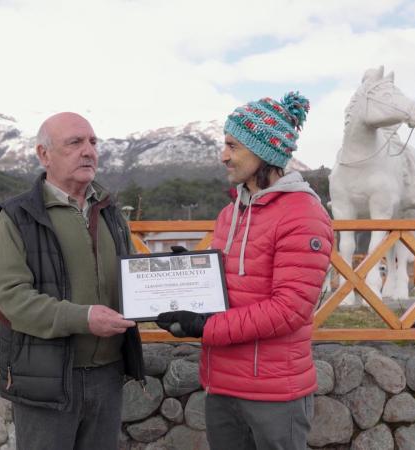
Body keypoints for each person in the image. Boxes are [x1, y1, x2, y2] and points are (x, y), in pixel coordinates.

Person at [157, 92, 333, 450]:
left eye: (233, 145)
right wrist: (190, 274)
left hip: (273, 393)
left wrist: (205, 326)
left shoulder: (303, 215)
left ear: (264, 151)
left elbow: (290, 309)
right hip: (223, 384)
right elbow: (238, 283)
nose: (224, 155)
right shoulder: (230, 213)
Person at [0, 112, 144, 450]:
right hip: (47, 378)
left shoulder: (111, 213)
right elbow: (10, 299)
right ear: (44, 155)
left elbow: (135, 280)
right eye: (75, 142)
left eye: (93, 142)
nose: (88, 151)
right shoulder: (18, 216)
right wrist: (84, 318)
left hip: (108, 375)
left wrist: (176, 294)